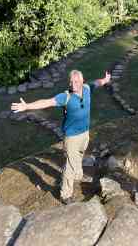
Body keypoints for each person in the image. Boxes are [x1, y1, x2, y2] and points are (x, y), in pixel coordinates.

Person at [11, 69, 111, 204]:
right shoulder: (66, 97)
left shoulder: (87, 89)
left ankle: (76, 175)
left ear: (82, 81)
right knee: (70, 165)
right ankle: (65, 194)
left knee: (79, 157)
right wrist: (27, 106)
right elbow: (47, 102)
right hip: (71, 138)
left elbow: (97, 83)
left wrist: (105, 80)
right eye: (71, 82)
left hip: (84, 134)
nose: (73, 84)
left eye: (76, 81)